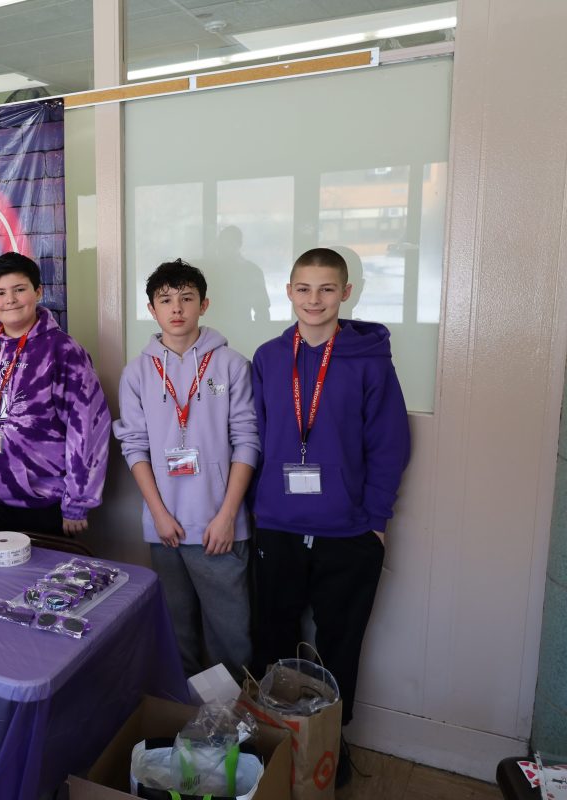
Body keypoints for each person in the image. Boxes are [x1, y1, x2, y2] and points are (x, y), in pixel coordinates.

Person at [250, 247, 410, 788]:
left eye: (326, 289)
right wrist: (255, 509)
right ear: (289, 292)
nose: (314, 300)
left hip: (348, 529)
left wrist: (376, 520)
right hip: (278, 524)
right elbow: (255, 436)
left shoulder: (368, 360)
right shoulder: (270, 357)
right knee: (273, 635)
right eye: (303, 289)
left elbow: (389, 444)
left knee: (340, 642)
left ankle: (328, 745)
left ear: (346, 292)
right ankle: (277, 743)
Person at [114, 259, 258, 679]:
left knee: (230, 634)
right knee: (178, 633)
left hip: (220, 527)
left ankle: (235, 728)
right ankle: (192, 723)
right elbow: (134, 445)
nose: (176, 308)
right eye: (166, 300)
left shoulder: (232, 365)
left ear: (204, 304)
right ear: (152, 309)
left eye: (186, 298)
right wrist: (157, 513)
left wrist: (228, 516)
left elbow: (247, 441)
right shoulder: (137, 372)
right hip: (167, 529)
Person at [0, 251, 110, 536]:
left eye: (19, 289)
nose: (9, 300)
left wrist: (77, 501)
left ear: (38, 291)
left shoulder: (63, 352)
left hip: (44, 503)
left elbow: (87, 428)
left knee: (43, 581)